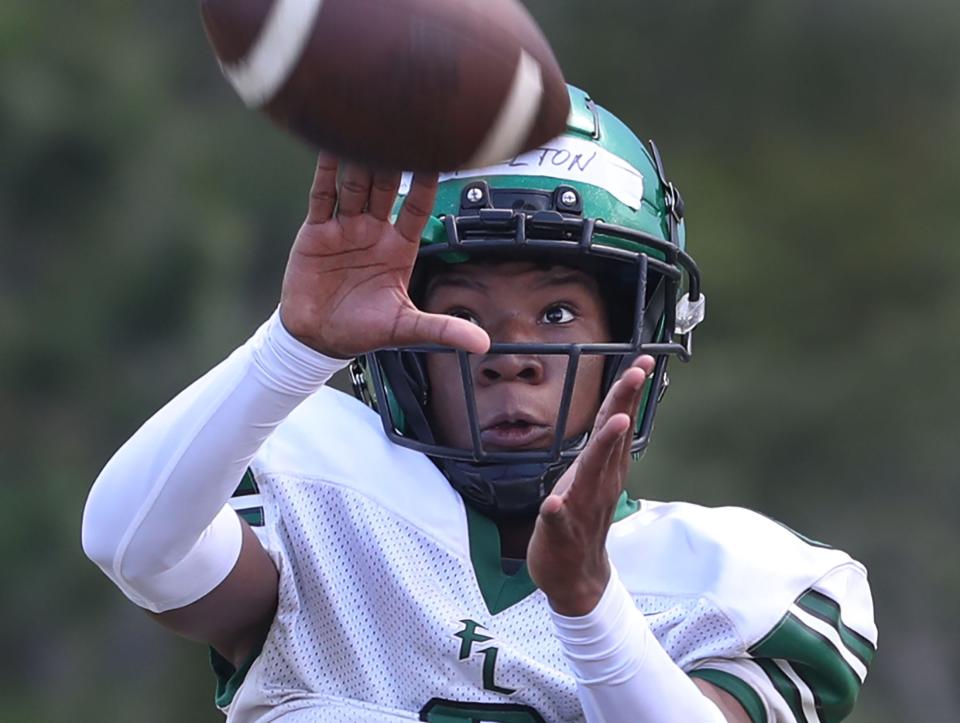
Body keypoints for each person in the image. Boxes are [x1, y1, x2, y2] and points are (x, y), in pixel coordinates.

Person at [81, 86, 876, 722]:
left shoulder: (740, 580)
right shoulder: (325, 484)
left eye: (558, 313)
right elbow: (132, 546)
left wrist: (590, 606)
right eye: (461, 315)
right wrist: (293, 348)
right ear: (404, 354)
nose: (509, 355)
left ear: (638, 338)